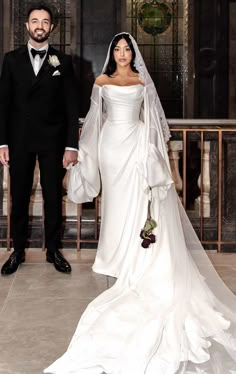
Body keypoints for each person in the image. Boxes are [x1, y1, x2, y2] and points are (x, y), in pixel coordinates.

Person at [44, 33, 236, 373]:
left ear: (133, 54)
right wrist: (83, 153)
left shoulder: (141, 81)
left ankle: (138, 262)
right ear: (111, 53)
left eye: (126, 49)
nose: (121, 54)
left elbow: (153, 124)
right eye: (116, 49)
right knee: (118, 208)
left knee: (140, 206)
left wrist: (151, 158)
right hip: (110, 151)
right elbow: (92, 122)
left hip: (135, 149)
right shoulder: (101, 81)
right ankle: (119, 258)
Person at [0, 2, 79, 275]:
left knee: (53, 195)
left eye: (45, 22)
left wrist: (71, 146)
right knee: (19, 195)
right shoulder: (11, 60)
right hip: (19, 139)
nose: (40, 26)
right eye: (35, 21)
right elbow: (3, 104)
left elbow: (71, 107)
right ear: (27, 26)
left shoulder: (63, 62)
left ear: (52, 27)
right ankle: (18, 249)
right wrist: (2, 142)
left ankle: (53, 249)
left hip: (53, 141)